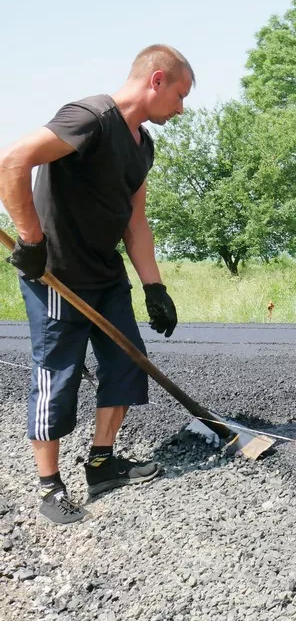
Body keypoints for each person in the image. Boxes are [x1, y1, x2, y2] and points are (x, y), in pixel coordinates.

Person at [0, 44, 193, 525]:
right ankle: (50, 486)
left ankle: (102, 463)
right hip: (57, 274)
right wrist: (30, 239)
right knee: (57, 375)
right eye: (180, 94)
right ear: (157, 80)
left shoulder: (143, 145)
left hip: (106, 277)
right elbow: (13, 161)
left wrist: (154, 287)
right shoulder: (88, 117)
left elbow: (136, 222)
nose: (181, 108)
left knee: (128, 363)